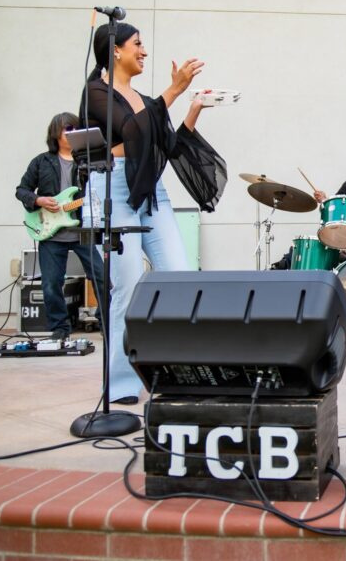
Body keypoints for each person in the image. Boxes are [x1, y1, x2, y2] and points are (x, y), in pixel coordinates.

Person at [80, 21, 226, 405]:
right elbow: (128, 129)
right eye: (138, 44)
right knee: (126, 289)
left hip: (151, 192)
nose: (144, 51)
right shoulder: (96, 91)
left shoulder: (145, 97)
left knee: (179, 277)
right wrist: (174, 89)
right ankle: (122, 384)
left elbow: (170, 143)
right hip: (111, 189)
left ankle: (181, 370)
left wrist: (192, 106)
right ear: (115, 50)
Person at [16, 112, 107, 340]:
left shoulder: (89, 161)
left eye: (74, 128)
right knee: (50, 284)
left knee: (101, 277)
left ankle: (107, 323)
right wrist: (38, 200)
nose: (70, 133)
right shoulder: (41, 161)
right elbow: (21, 190)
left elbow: (98, 191)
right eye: (66, 128)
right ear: (55, 132)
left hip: (83, 230)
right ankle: (60, 328)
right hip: (50, 233)